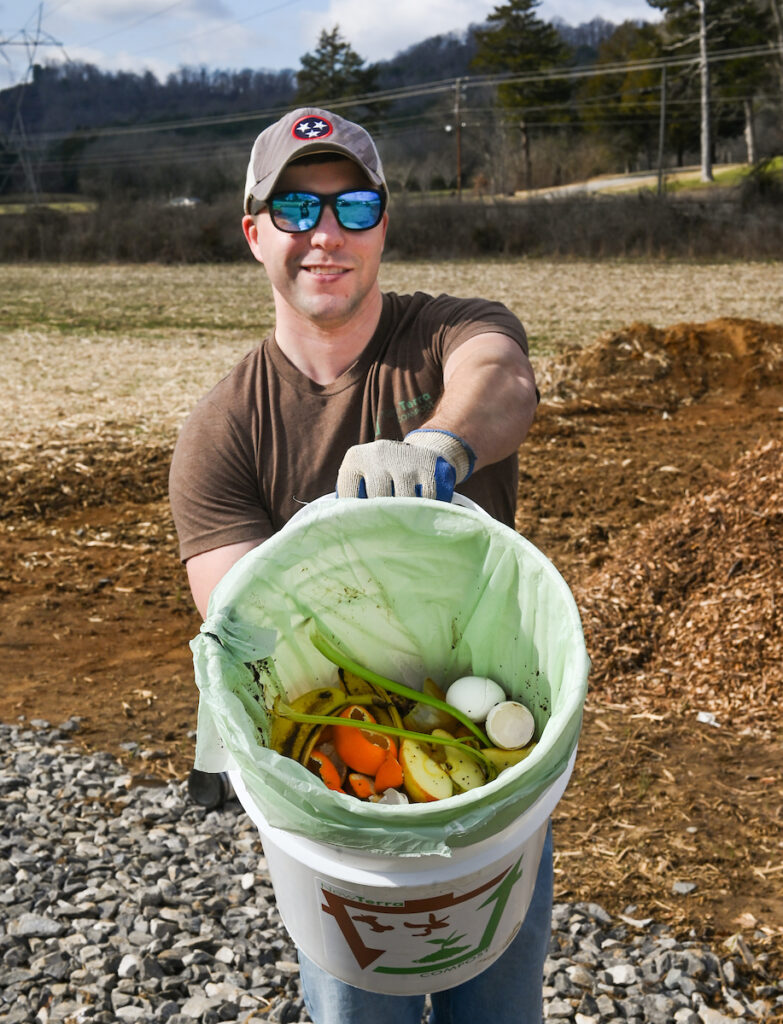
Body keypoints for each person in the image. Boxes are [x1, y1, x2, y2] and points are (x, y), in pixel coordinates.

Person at [169, 107, 548, 1024]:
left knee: (495, 1003)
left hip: (490, 775)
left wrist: (440, 444)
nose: (325, 234)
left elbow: (502, 379)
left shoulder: (448, 332)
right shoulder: (225, 429)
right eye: (296, 208)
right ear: (254, 232)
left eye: (355, 205)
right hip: (339, 795)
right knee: (354, 1006)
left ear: (385, 223)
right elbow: (248, 628)